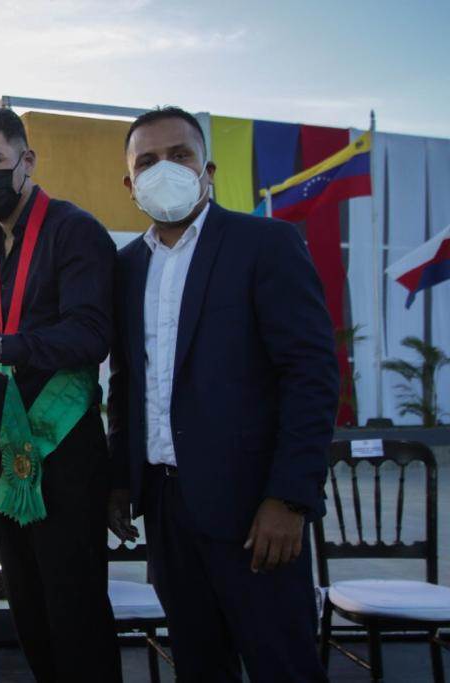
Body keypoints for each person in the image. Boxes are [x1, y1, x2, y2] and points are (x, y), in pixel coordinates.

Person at [106, 107, 339, 681]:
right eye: (148, 161)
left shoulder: (266, 244)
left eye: (180, 155)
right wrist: (120, 481)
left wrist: (290, 499)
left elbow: (310, 376)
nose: (165, 169)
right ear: (130, 184)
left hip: (256, 512)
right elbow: (129, 381)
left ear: (207, 170)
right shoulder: (127, 267)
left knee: (283, 666)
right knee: (200, 667)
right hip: (167, 510)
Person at [0, 107, 122, 682]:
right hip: (11, 450)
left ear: (27, 160)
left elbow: (91, 334)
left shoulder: (74, 230)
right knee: (31, 614)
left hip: (66, 449)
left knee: (75, 617)